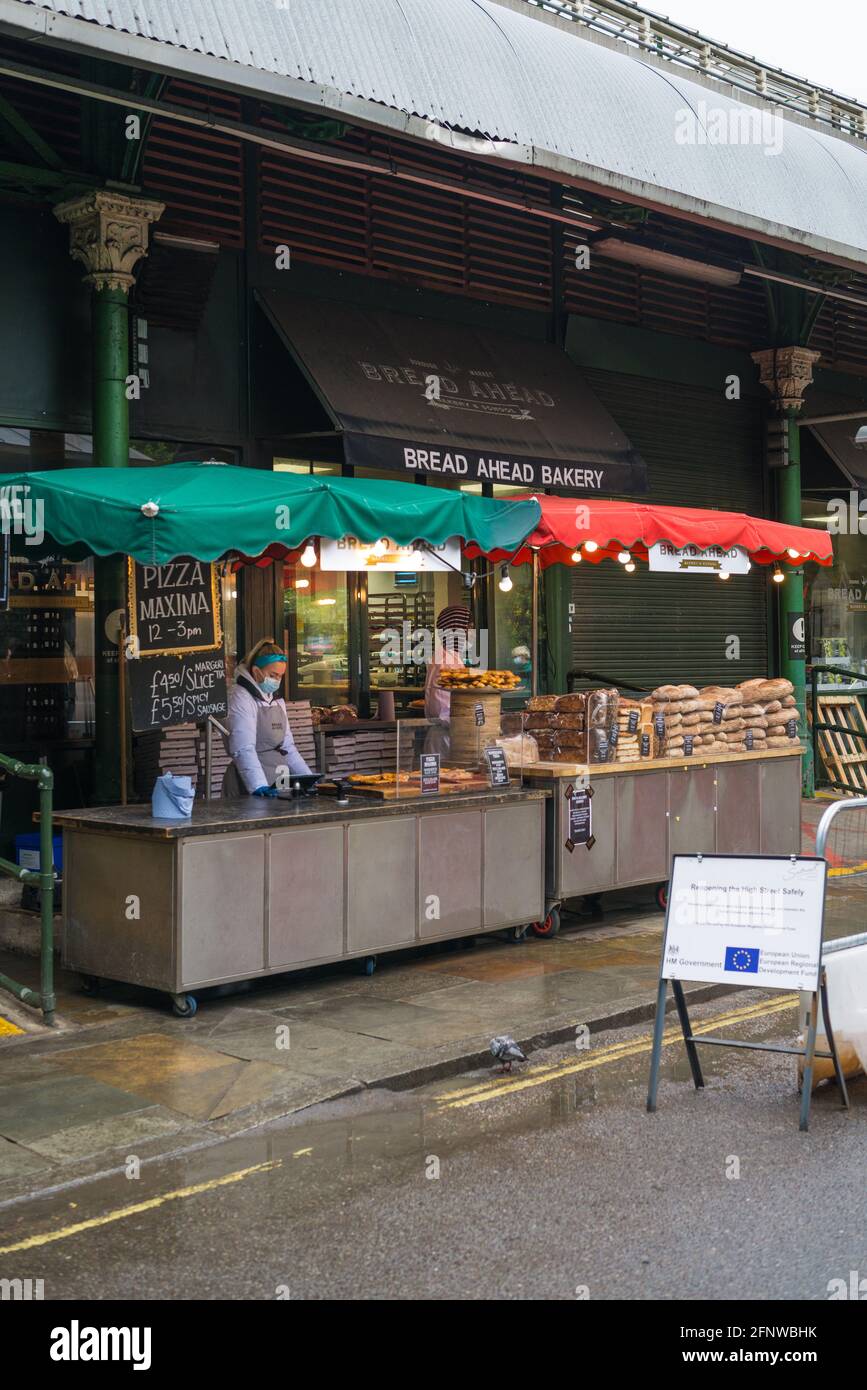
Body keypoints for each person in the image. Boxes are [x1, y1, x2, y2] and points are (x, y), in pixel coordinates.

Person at [222, 637, 313, 798]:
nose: (277, 680)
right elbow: (243, 748)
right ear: (256, 671)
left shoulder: (276, 700)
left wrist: (309, 779)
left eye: (280, 676)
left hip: (279, 778)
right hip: (248, 783)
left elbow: (288, 748)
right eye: (273, 675)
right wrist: (258, 786)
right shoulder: (241, 697)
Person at [423, 604, 473, 757]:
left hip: (452, 735)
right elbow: (441, 709)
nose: (472, 632)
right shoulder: (445, 660)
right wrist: (470, 722)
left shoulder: (453, 657)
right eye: (469, 627)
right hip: (446, 738)